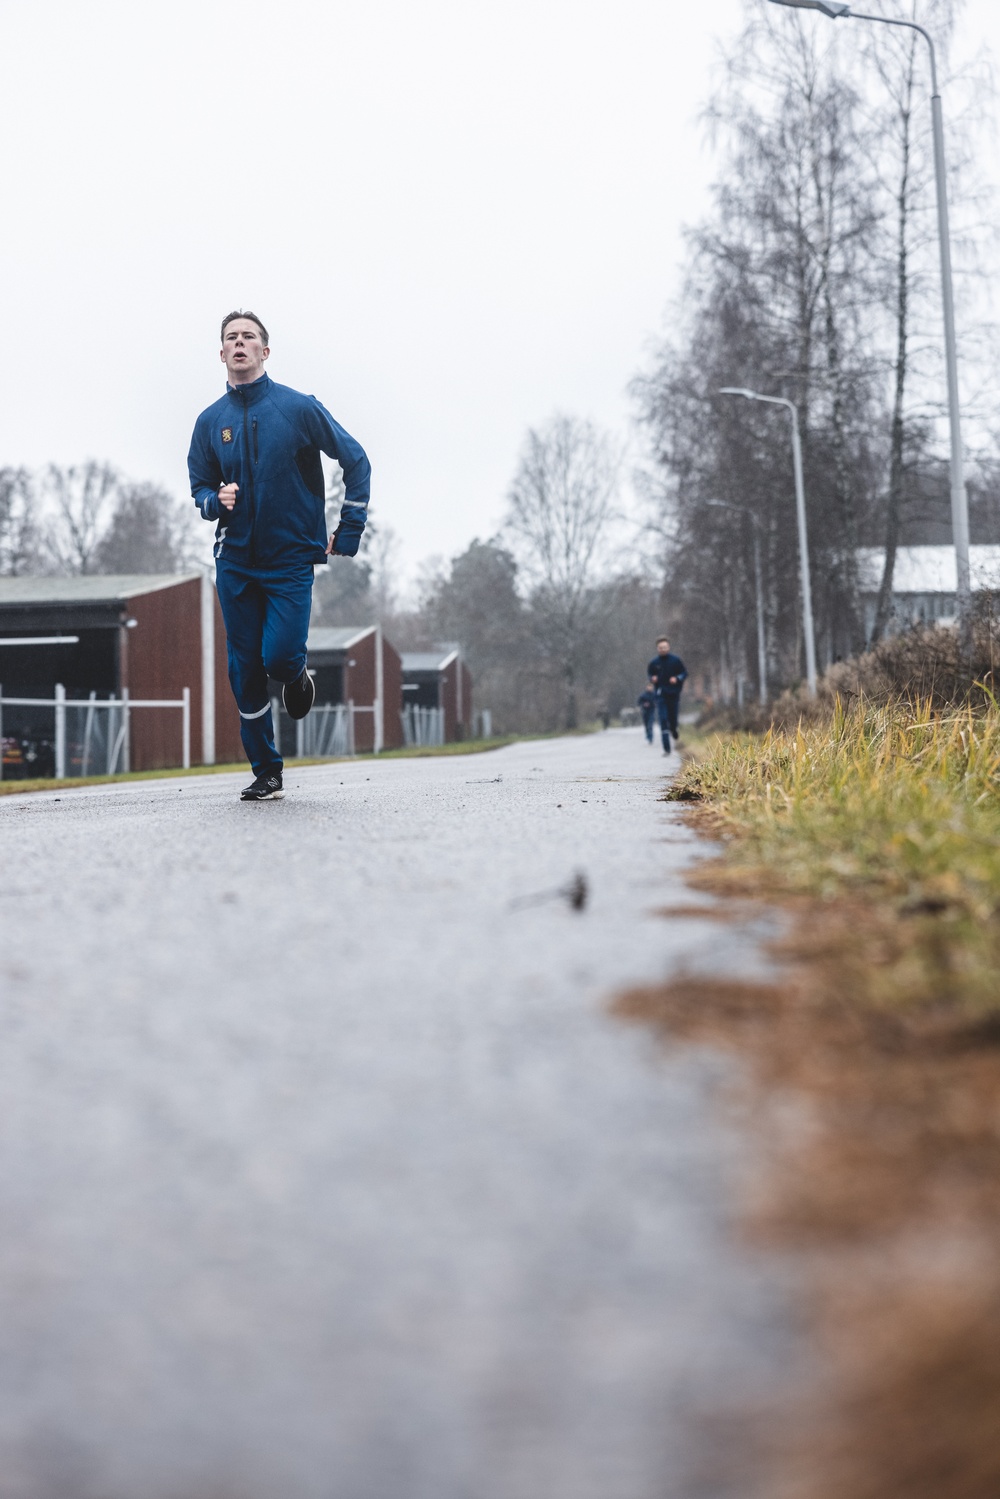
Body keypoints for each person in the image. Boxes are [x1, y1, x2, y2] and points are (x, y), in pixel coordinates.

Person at [188, 312, 371, 801]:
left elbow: (356, 459)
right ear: (221, 353)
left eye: (249, 337)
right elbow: (199, 486)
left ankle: (295, 672)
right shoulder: (209, 422)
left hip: (291, 558)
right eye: (231, 338)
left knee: (279, 656)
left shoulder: (298, 408)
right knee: (243, 667)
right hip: (235, 562)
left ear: (265, 352)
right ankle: (267, 770)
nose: (240, 343)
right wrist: (213, 501)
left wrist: (348, 529)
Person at [647, 637, 687, 754]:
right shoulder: (654, 663)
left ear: (668, 647)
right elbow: (650, 674)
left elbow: (684, 673)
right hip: (661, 694)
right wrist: (652, 678)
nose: (663, 649)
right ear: (657, 649)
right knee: (663, 719)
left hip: (673, 694)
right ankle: (666, 748)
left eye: (665, 647)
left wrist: (677, 678)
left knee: (672, 719)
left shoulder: (676, 661)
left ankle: (674, 729)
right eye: (660, 648)